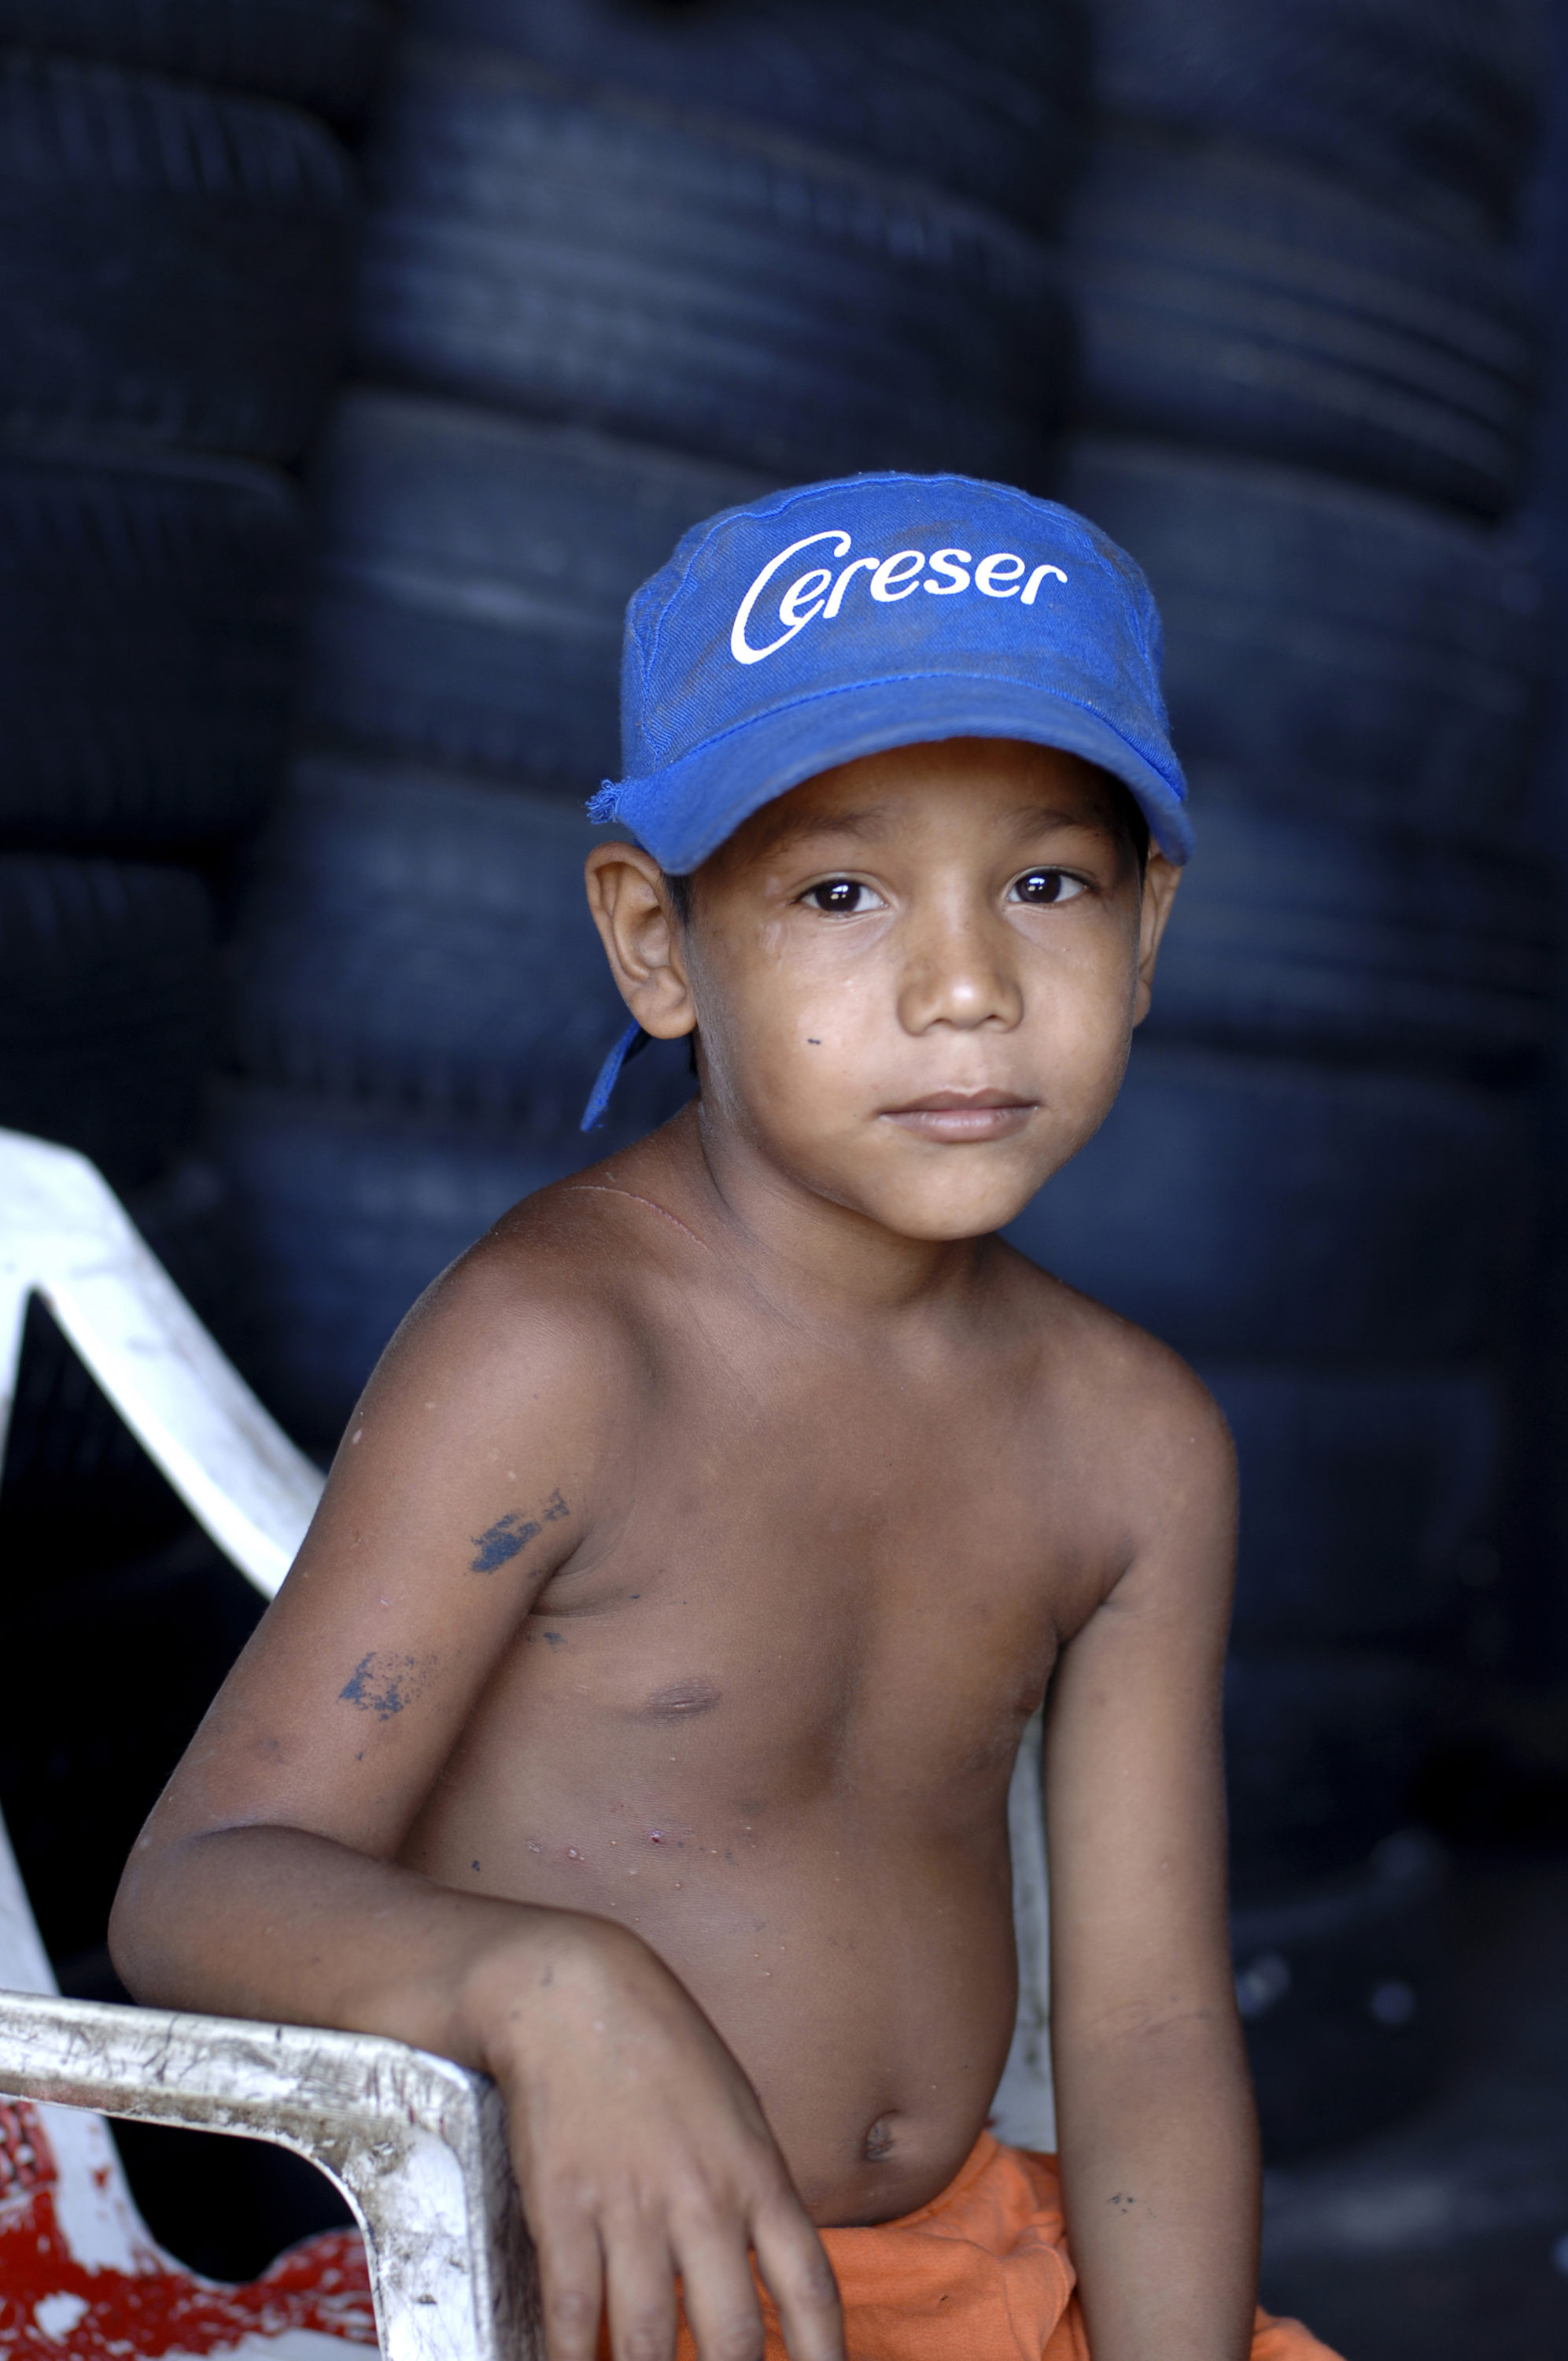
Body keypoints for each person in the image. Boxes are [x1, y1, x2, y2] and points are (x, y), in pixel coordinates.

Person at [110, 474, 1339, 2361]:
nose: (962, 987)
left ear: (1149, 923)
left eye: (1045, 883)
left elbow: (1147, 2033)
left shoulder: (1130, 1442)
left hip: (978, 2281)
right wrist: (543, 1983)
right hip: (589, 2299)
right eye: (838, 892)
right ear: (656, 941)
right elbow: (193, 1891)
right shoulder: (563, 1355)